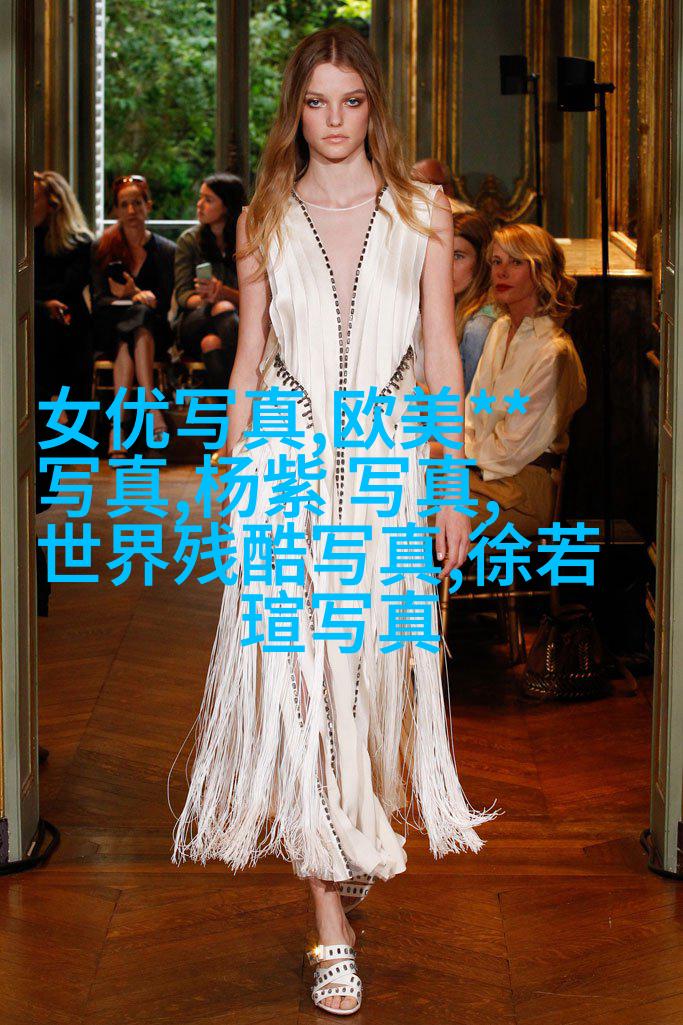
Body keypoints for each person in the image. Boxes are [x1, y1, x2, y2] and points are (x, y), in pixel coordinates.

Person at [169, 26, 501, 1017]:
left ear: (373, 107)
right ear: (295, 110)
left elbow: (439, 359)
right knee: (298, 686)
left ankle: (344, 833)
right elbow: (248, 362)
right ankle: (326, 920)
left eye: (350, 101)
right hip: (285, 474)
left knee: (366, 680)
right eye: (315, 103)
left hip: (390, 478)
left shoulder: (421, 213)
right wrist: (228, 471)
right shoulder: (265, 216)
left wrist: (451, 485)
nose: (333, 121)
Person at [465, 223, 587, 539]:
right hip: (479, 477)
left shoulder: (553, 352)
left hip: (524, 493)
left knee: (415, 514)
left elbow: (510, 450)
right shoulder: (499, 330)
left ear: (540, 270)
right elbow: (471, 414)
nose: (502, 272)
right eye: (496, 261)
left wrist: (452, 454)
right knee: (390, 497)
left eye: (516, 262)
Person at [91, 174, 176, 455]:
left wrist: (133, 291)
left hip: (154, 333)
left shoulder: (166, 250)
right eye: (124, 204)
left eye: (137, 203)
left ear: (148, 206)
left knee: (135, 328)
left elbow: (163, 303)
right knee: (131, 326)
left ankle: (117, 429)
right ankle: (153, 408)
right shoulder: (103, 247)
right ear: (115, 209)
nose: (131, 210)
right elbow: (98, 300)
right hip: (109, 329)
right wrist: (130, 296)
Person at [174, 173, 246, 390]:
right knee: (222, 308)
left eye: (208, 200)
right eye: (200, 198)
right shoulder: (189, 241)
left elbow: (258, 298)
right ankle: (244, 397)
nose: (200, 205)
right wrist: (207, 299)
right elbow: (183, 296)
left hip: (234, 323)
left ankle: (227, 408)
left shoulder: (246, 241)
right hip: (195, 320)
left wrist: (222, 292)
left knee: (212, 343)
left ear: (226, 206)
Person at [33, 171, 93, 408]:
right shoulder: (22, 244)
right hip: (36, 313)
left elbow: (70, 286)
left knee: (67, 327)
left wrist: (48, 303)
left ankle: (67, 408)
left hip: (68, 315)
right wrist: (43, 306)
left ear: (53, 204)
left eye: (33, 200)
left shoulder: (80, 242)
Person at [452, 210, 496, 395]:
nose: (446, 265)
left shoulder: (479, 328)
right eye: (442, 254)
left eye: (458, 256)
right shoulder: (453, 307)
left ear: (482, 261)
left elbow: (469, 404)